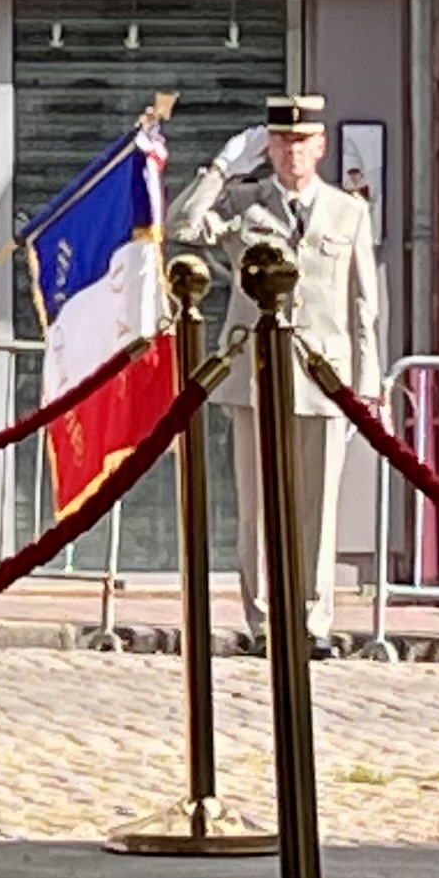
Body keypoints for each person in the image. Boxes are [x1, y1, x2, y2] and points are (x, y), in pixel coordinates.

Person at [173, 94, 385, 651]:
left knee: (319, 507)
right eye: (283, 141)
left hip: (324, 376)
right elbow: (182, 226)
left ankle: (313, 621)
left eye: (303, 141)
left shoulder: (348, 211)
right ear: (268, 147)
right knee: (258, 507)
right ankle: (265, 620)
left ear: (321, 146)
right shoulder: (245, 203)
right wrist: (221, 169)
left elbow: (363, 303)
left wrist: (365, 387)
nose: (293, 152)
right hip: (256, 373)